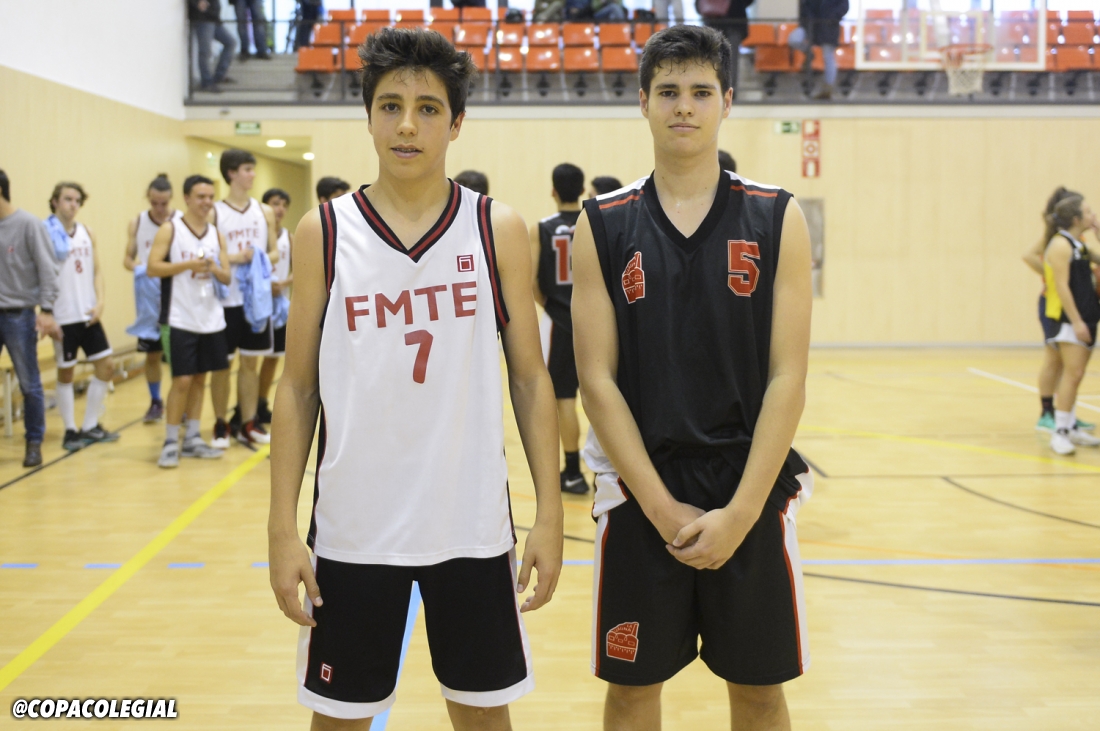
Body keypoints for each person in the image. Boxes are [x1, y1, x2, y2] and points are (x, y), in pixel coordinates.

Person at [268, 27, 563, 730]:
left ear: (456, 123)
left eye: (428, 108)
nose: (407, 125)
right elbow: (298, 388)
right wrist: (282, 526)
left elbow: (530, 380)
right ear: (368, 117)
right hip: (353, 530)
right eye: (391, 106)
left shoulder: (495, 228)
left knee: (484, 717)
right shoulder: (324, 231)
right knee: (339, 718)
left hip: (472, 526)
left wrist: (550, 513)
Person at [572, 25, 813, 730]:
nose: (685, 106)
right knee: (631, 690)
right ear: (643, 101)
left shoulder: (777, 216)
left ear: (727, 102)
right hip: (640, 487)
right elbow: (596, 380)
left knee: (760, 692)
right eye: (669, 91)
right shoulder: (603, 223)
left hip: (750, 488)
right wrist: (659, 506)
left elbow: (789, 377)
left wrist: (741, 513)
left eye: (701, 92)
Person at [147, 176, 233, 468]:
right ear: (186, 198)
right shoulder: (171, 229)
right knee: (182, 380)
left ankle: (194, 437)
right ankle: (171, 441)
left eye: (210, 197)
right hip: (179, 317)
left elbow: (227, 276)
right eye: (200, 196)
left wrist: (214, 268)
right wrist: (188, 265)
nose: (206, 202)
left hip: (211, 318)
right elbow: (152, 267)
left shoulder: (216, 234)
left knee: (200, 379)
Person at [211, 149, 279, 448]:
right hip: (226, 301)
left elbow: (274, 253)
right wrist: (237, 257)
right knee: (222, 366)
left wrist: (257, 256)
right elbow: (211, 254)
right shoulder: (215, 212)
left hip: (256, 300)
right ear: (231, 173)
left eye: (253, 169)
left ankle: (248, 422)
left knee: (251, 363)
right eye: (247, 169)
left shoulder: (263, 211)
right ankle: (220, 423)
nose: (252, 174)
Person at [46, 183, 119, 452]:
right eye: (67, 199)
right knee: (66, 371)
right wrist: (46, 312)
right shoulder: (45, 234)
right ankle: (69, 430)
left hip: (88, 314)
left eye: (77, 200)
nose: (73, 204)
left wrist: (100, 302)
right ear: (55, 201)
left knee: (106, 365)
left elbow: (96, 271)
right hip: (63, 316)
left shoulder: (87, 232)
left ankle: (89, 425)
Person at [532, 163, 590, 495]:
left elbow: (532, 283)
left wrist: (552, 306)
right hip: (596, 322)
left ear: (553, 191)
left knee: (564, 398)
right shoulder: (595, 221)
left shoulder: (541, 228)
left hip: (559, 321)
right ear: (582, 190)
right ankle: (607, 470)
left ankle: (572, 472)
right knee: (602, 392)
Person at [0, 169, 60, 468]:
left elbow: (48, 269)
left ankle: (34, 441)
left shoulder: (28, 224)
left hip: (18, 315)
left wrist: (47, 310)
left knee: (29, 382)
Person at [1023, 186, 1096, 434]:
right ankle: (1048, 413)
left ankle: (1067, 415)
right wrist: (1050, 275)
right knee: (1055, 360)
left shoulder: (1079, 241)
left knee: (1072, 368)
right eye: (1086, 210)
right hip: (1055, 305)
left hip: (1076, 305)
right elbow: (1028, 255)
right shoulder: (1057, 240)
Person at [1040, 194, 1100, 455]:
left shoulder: (1080, 244)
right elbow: (1062, 287)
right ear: (1076, 219)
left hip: (1088, 315)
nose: (1093, 215)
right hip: (1068, 319)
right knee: (1072, 374)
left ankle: (1071, 426)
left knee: (1076, 375)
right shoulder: (1060, 245)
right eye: (1088, 211)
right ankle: (1060, 432)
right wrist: (1076, 321)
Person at [124, 174, 180, 423]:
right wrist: (139, 267)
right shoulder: (137, 222)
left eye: (164, 203)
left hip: (175, 296)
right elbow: (127, 258)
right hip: (148, 299)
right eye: (154, 203)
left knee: (178, 356)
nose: (159, 208)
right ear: (148, 198)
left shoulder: (179, 222)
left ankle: (181, 402)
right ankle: (156, 400)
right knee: (152, 354)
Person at [256, 188, 293, 424]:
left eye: (283, 205)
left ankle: (261, 402)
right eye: (275, 203)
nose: (280, 209)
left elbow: (300, 270)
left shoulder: (289, 237)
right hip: (258, 306)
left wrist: (284, 283)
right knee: (250, 359)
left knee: (273, 359)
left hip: (279, 307)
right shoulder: (257, 236)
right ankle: (246, 409)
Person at [787, 0, 849, 100]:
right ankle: (808, 53)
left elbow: (844, 6)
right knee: (794, 39)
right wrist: (807, 20)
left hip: (828, 27)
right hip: (810, 25)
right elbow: (804, 6)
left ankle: (827, 90)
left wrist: (832, 17)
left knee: (828, 56)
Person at [700, 0, 754, 97]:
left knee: (730, 60)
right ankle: (711, 92)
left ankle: (728, 94)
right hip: (713, 23)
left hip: (733, 22)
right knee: (711, 61)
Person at [189, 0, 237, 92]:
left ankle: (219, 76)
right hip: (203, 19)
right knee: (205, 51)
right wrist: (197, 3)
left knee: (230, 43)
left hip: (213, 18)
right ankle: (206, 82)